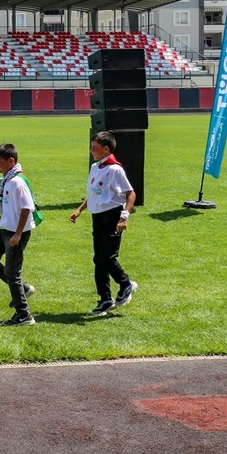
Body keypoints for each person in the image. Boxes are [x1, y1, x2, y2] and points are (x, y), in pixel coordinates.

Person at [70, 131, 138, 317]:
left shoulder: (115, 169)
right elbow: (93, 193)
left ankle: (126, 284)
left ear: (106, 149)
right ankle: (105, 299)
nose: (92, 151)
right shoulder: (95, 167)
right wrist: (80, 209)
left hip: (112, 216)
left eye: (95, 148)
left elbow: (130, 194)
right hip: (97, 217)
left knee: (106, 257)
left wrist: (124, 217)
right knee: (98, 259)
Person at [0, 143, 37, 326]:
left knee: (12, 272)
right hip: (5, 229)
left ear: (11, 161)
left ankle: (24, 314)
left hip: (15, 232)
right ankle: (24, 290)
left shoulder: (17, 182)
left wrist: (18, 234)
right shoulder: (8, 178)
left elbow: (27, 208)